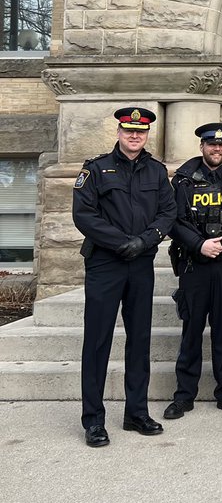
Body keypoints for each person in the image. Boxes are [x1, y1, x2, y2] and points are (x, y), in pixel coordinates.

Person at [73, 106, 176, 448]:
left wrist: (144, 241)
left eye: (141, 132)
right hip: (105, 263)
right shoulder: (96, 169)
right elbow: (84, 215)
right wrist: (122, 243)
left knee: (139, 340)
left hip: (140, 264)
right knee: (98, 341)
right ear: (119, 132)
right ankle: (93, 420)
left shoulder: (157, 171)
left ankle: (136, 412)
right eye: (129, 130)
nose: (135, 136)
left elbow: (168, 211)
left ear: (147, 135)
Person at [163, 124, 222, 420]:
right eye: (211, 145)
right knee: (191, 331)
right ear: (202, 146)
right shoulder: (183, 180)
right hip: (195, 264)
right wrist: (200, 244)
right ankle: (184, 395)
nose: (217, 149)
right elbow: (173, 219)